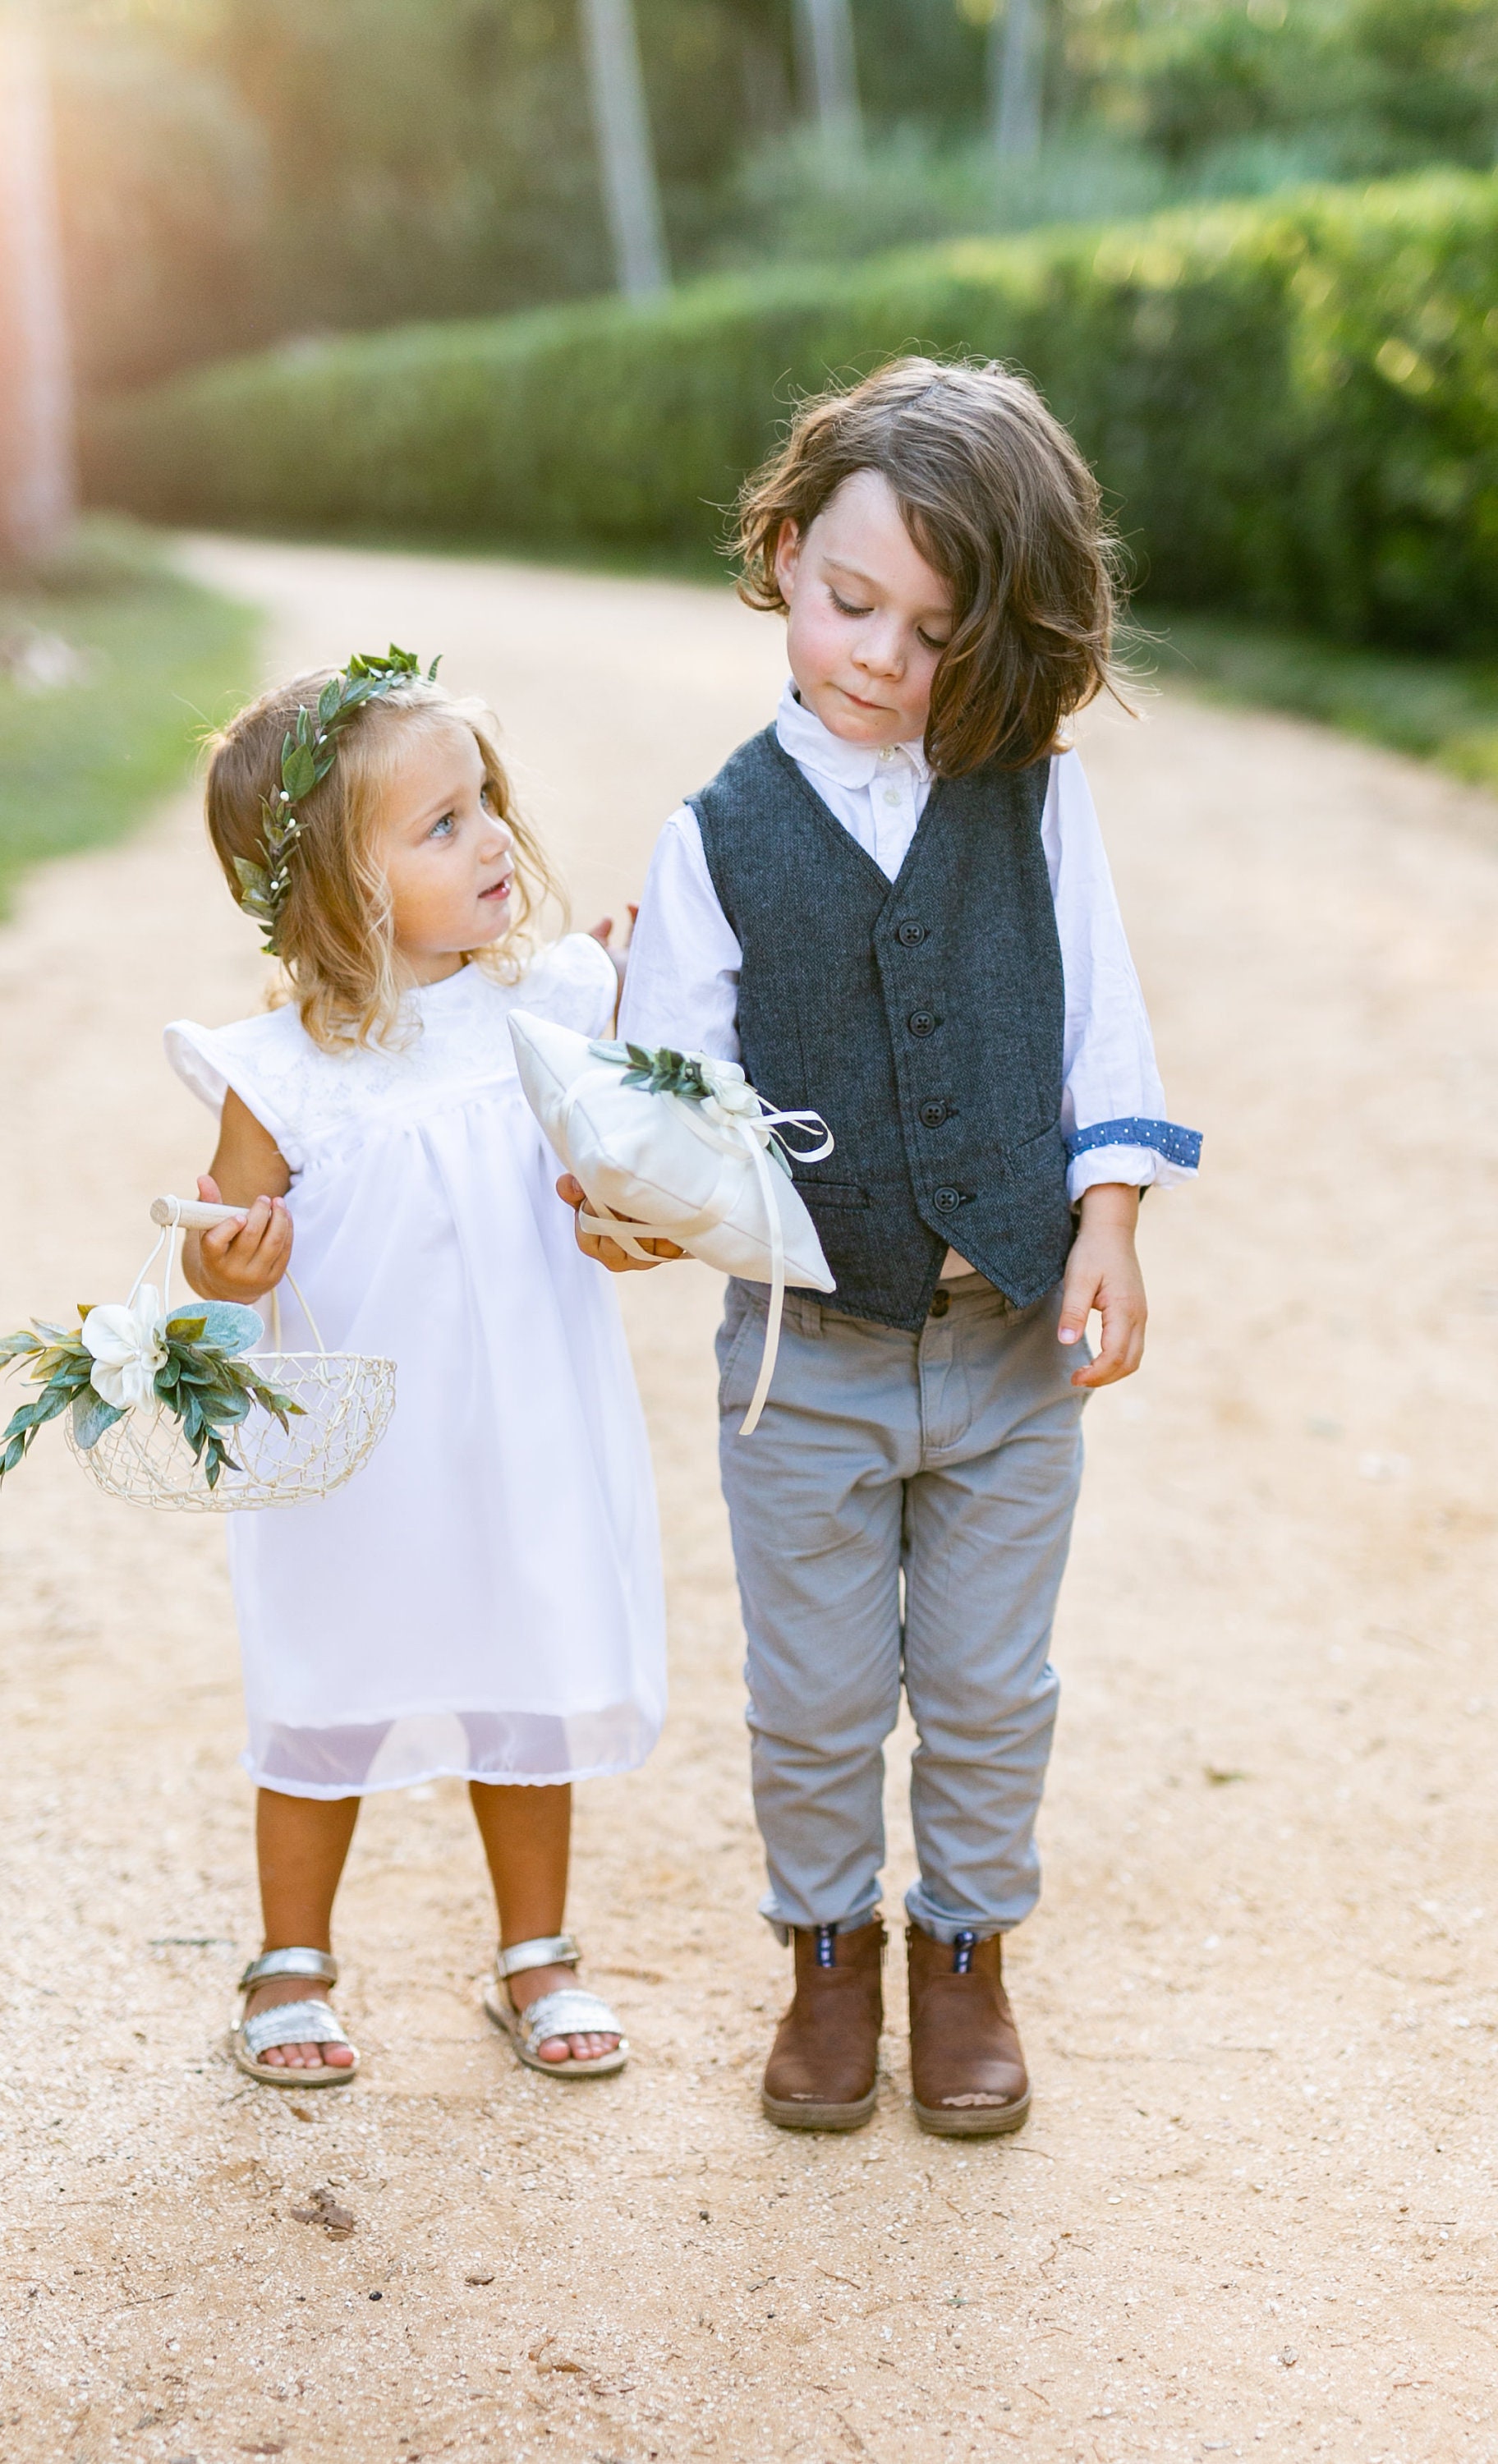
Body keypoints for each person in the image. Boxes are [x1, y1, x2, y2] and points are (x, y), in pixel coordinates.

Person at [565, 357, 1199, 2137]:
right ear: (780, 556)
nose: (881, 662)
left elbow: (1103, 1025)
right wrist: (628, 1191)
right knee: (820, 1694)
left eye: (936, 633)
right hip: (806, 1361)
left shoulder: (1031, 797)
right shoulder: (716, 837)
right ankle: (827, 1955)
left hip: (1006, 1348)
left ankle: (966, 1950)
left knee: (993, 1687)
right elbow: (670, 1098)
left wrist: (1108, 1216)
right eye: (851, 604)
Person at [167, 650, 664, 2089]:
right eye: (440, 826)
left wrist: (644, 994)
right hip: (362, 1455)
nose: (494, 835)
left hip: (518, 1424)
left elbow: (636, 1127)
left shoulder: (555, 1004)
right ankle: (292, 1957)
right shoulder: (279, 1071)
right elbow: (216, 1240)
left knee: (524, 1665)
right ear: (336, 890)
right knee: (329, 1679)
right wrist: (229, 1267)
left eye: (486, 800)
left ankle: (538, 1952)